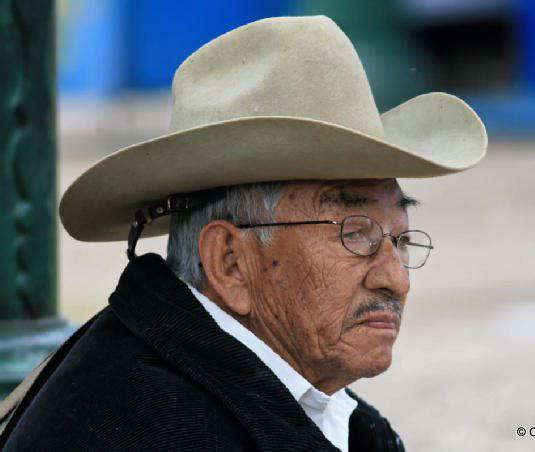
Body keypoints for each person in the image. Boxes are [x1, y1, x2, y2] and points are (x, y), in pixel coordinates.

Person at [0, 15, 486, 451]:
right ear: (230, 262)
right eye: (355, 234)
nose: (395, 280)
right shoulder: (161, 423)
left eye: (400, 239)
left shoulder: (223, 382)